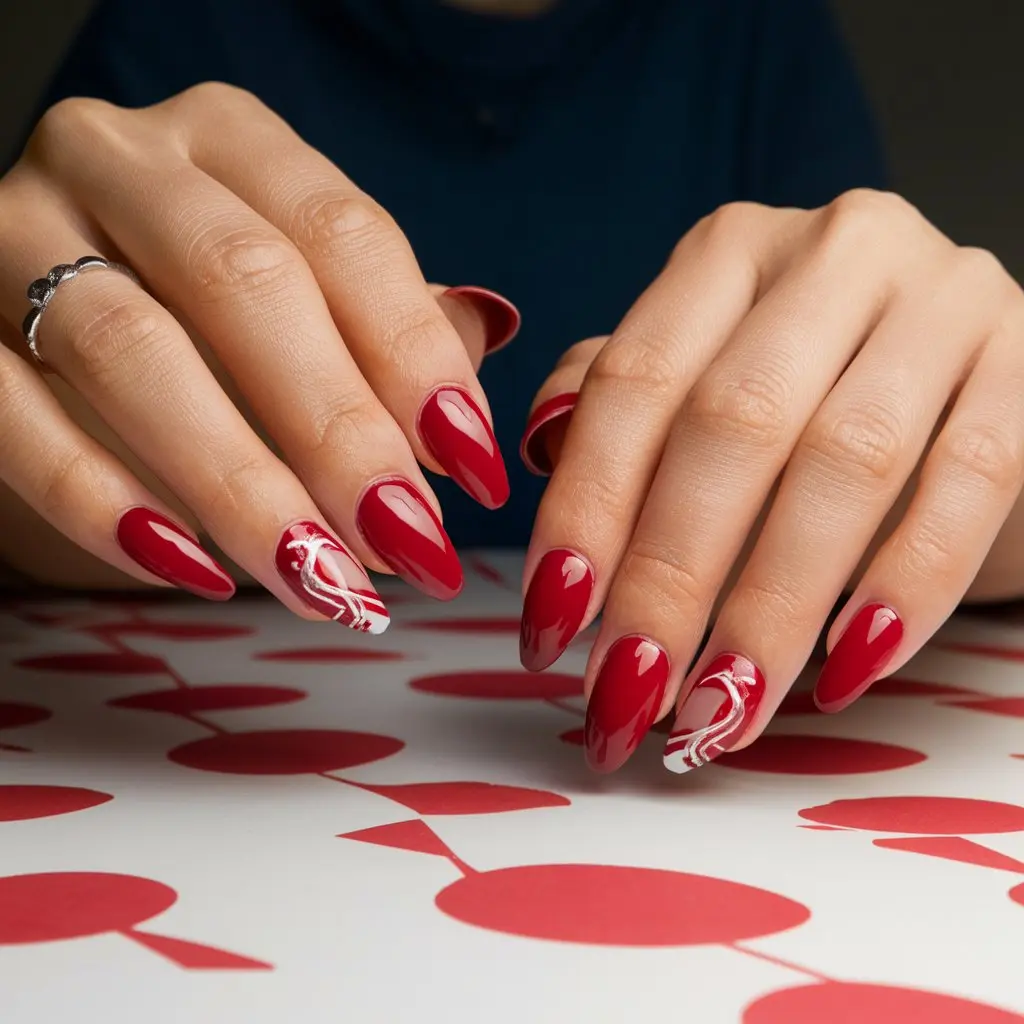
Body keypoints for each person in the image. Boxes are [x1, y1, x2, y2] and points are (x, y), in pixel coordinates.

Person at [1, 0, 1022, 774]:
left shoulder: (756, 38)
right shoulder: (173, 29)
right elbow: (44, 441)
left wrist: (976, 476)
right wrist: (40, 492)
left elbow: (869, 407)